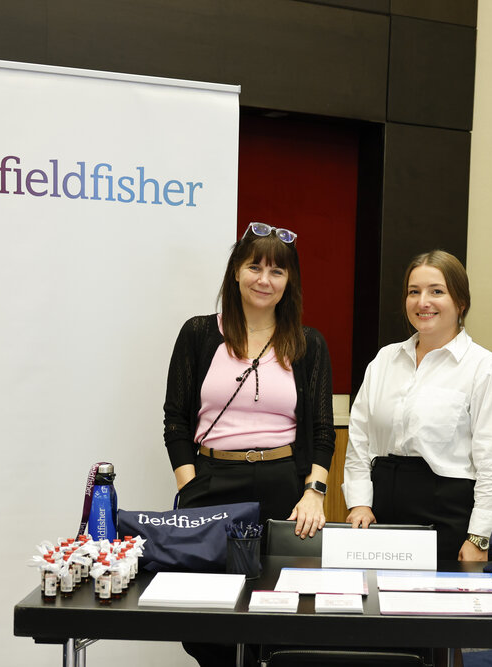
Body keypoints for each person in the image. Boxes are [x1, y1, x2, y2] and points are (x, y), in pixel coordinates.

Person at [163, 222, 335, 666]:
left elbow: (321, 430)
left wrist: (314, 492)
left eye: (277, 271)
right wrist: (190, 485)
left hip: (283, 486)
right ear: (235, 272)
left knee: (278, 611)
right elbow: (176, 421)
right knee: (205, 622)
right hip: (212, 481)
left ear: (289, 281)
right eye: (254, 266)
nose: (264, 279)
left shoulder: (307, 344)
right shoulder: (200, 334)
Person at [343, 249, 492, 563]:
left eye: (437, 291)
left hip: (448, 518)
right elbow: (359, 440)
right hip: (380, 513)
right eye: (414, 292)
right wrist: (359, 503)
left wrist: (479, 537)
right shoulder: (384, 360)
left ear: (461, 302)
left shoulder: (484, 368)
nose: (423, 302)